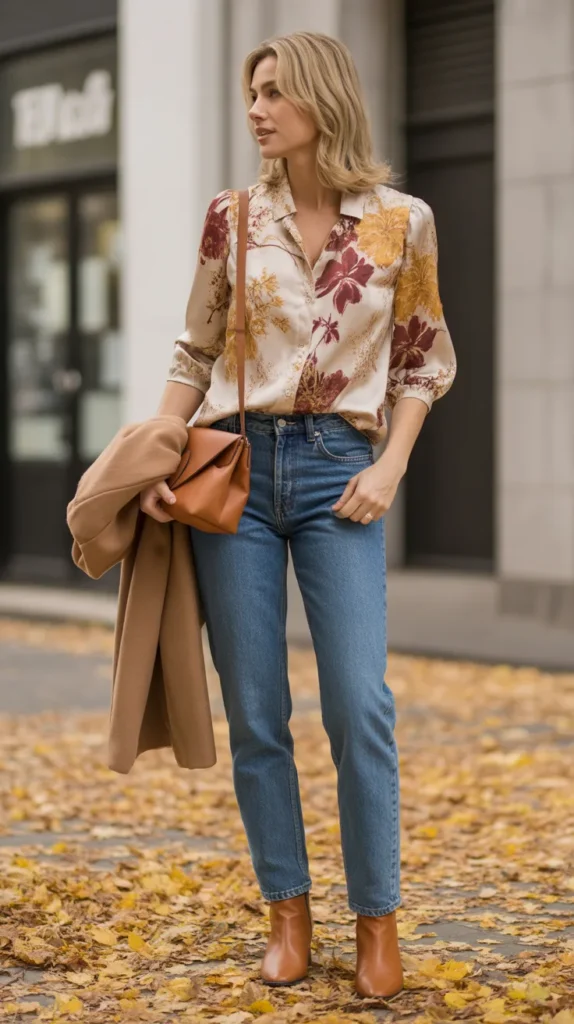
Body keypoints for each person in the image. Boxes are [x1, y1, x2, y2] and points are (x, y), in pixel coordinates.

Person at [139, 31, 456, 999]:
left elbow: (423, 361)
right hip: (237, 471)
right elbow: (194, 354)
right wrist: (158, 447)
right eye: (251, 94)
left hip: (340, 471)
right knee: (257, 711)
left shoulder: (401, 221)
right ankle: (287, 911)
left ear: (320, 97)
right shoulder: (231, 218)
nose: (257, 109)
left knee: (359, 703)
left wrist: (391, 465)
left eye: (274, 92)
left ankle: (377, 922)